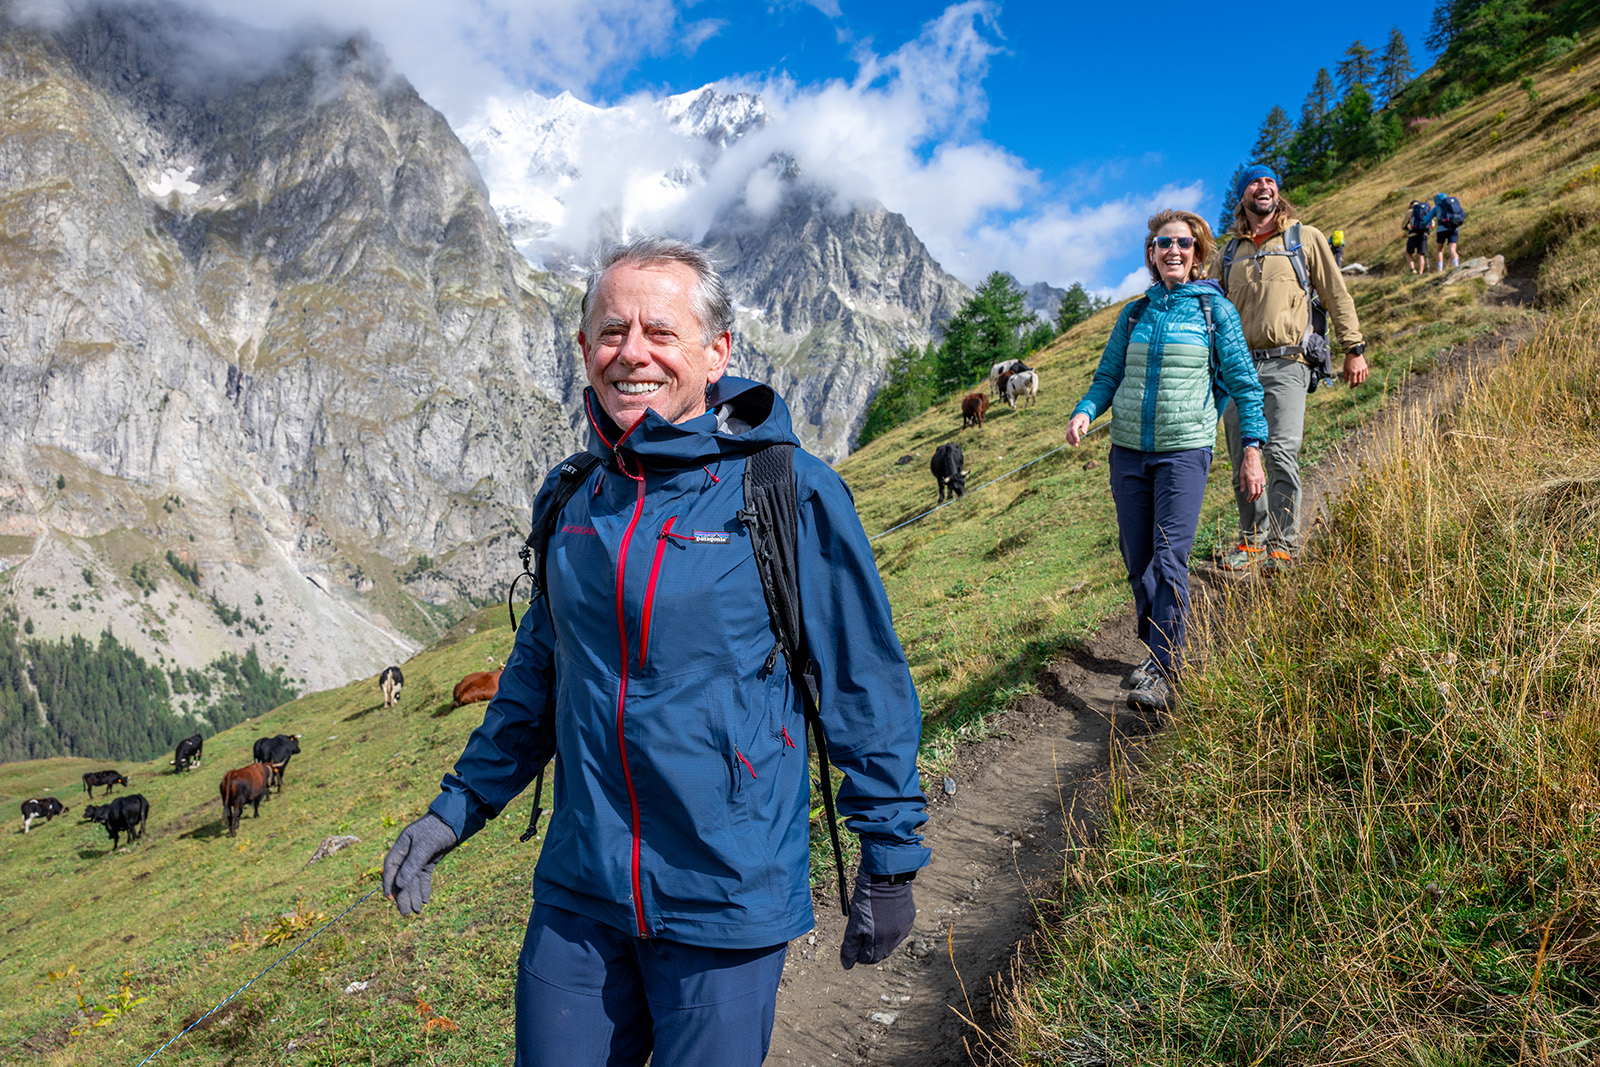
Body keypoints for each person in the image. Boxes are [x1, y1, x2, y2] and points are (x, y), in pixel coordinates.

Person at [382, 236, 931, 1067]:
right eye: (611, 331)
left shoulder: (785, 491)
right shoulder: (573, 498)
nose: (631, 352)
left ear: (717, 354)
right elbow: (537, 684)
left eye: (660, 332)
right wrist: (451, 812)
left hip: (726, 896)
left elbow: (861, 683)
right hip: (581, 893)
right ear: (582, 351)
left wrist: (888, 855)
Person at [1065, 210, 1268, 712]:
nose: (1172, 250)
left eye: (1182, 243)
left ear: (1197, 253)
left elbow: (1244, 383)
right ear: (1152, 254)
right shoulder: (1134, 314)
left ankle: (1164, 669)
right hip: (1128, 453)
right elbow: (1107, 375)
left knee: (1168, 558)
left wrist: (1252, 451)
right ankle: (1160, 651)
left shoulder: (1213, 312)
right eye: (1162, 243)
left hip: (1184, 452)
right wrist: (1085, 412)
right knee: (1138, 562)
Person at [1217, 165, 1367, 574]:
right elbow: (1208, 309)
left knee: (1281, 451)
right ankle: (1251, 541)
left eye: (1269, 181)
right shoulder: (1228, 253)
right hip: (1238, 370)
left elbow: (1336, 293)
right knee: (1243, 458)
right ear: (1242, 195)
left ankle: (1282, 544)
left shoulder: (1305, 238)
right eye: (1254, 181)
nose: (1263, 187)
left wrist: (1353, 346)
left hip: (1288, 361)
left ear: (1277, 191)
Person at [1428, 191, 1463, 271]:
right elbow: (1463, 214)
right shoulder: (1453, 206)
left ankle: (1440, 270)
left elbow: (1426, 219)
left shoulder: (1436, 208)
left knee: (1439, 250)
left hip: (1441, 230)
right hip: (1454, 228)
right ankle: (1456, 266)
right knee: (1452, 249)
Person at [1401, 199, 1431, 274]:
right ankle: (1420, 273)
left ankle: (1413, 270)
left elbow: (1403, 225)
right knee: (1421, 254)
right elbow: (1432, 224)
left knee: (1409, 253)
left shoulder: (1410, 212)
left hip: (1413, 234)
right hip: (1424, 234)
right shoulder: (1426, 210)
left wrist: (1408, 229)